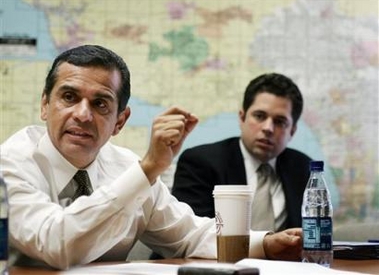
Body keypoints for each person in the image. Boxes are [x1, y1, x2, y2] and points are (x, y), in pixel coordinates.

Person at [1, 45, 302, 270]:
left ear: (120, 121)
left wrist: (267, 242)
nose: (82, 114)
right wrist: (146, 170)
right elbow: (56, 243)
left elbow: (189, 235)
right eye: (68, 97)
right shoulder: (12, 161)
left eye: (100, 104)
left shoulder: (124, 166)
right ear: (44, 105)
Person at [171, 73, 312, 232]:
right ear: (242, 117)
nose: (268, 128)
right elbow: (189, 234)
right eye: (259, 116)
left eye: (280, 122)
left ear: (292, 131)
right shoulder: (200, 162)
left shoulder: (303, 168)